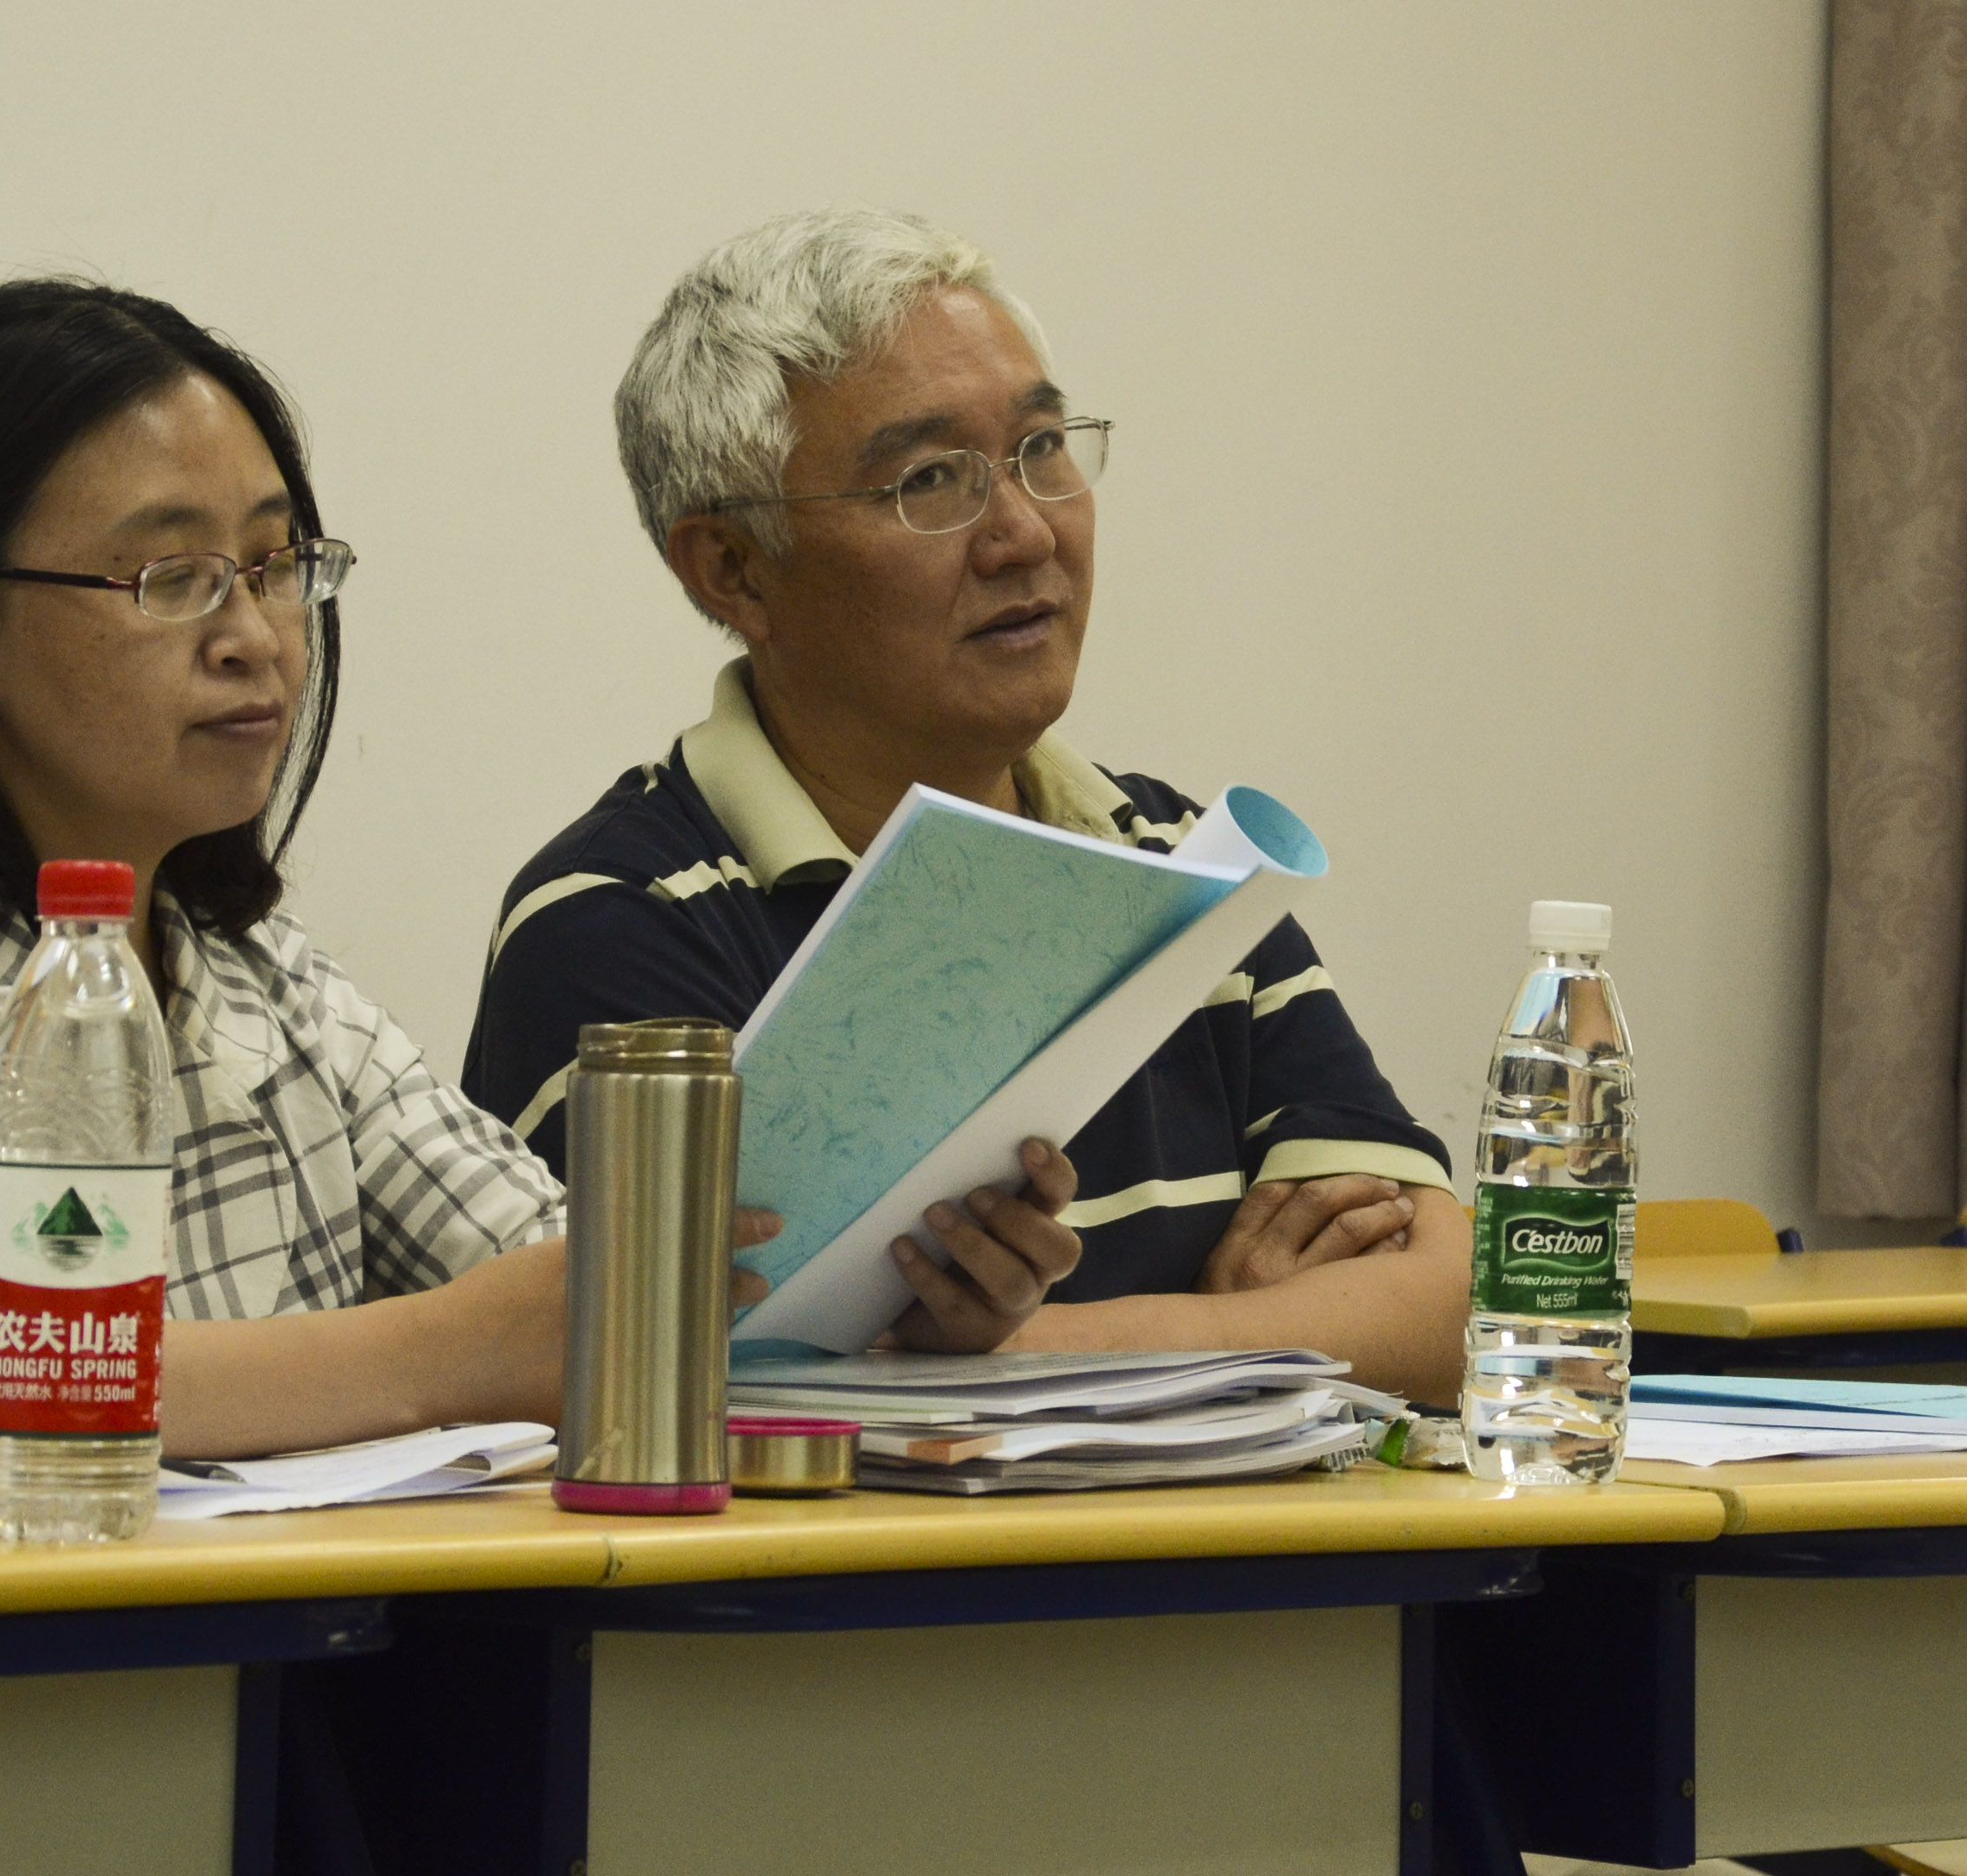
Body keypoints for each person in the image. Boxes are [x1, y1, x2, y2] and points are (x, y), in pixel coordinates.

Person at [0, 278, 770, 1450]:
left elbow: (584, 1289)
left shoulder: (269, 985)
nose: (256, 638)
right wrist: (458, 1351)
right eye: (172, 580)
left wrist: (768, 1289)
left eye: (275, 566)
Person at [463, 210, 1467, 1404]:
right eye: (929, 481)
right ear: (734, 568)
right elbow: (700, 1385)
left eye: (1042, 447)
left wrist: (1020, 1356)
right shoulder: (620, 920)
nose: (1026, 532)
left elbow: (1448, 1310)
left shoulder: (1177, 859)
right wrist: (1251, 1331)